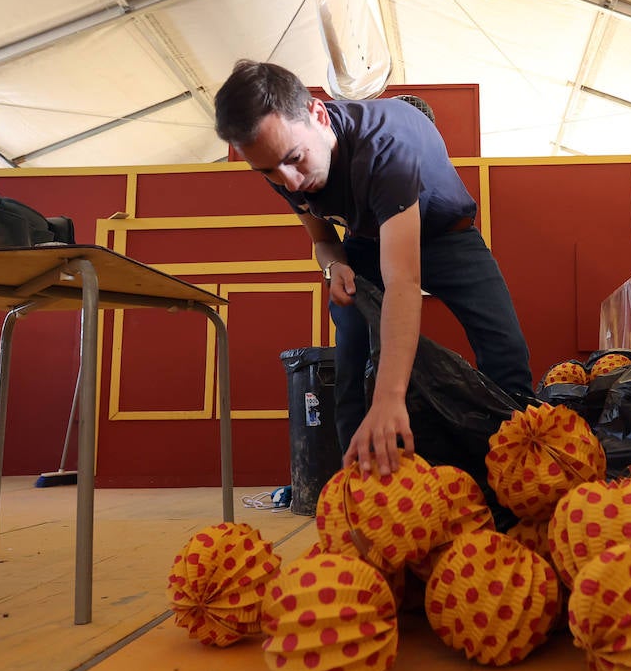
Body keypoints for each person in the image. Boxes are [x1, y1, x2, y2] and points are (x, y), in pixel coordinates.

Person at [213, 60, 533, 478]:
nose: (288, 182)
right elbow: (324, 240)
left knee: (504, 348)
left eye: (294, 160)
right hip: (365, 243)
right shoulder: (281, 160)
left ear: (318, 115)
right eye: (269, 171)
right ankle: (362, 485)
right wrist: (334, 268)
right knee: (350, 353)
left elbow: (404, 280)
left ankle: (525, 467)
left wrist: (390, 396)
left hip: (446, 235)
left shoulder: (386, 145)